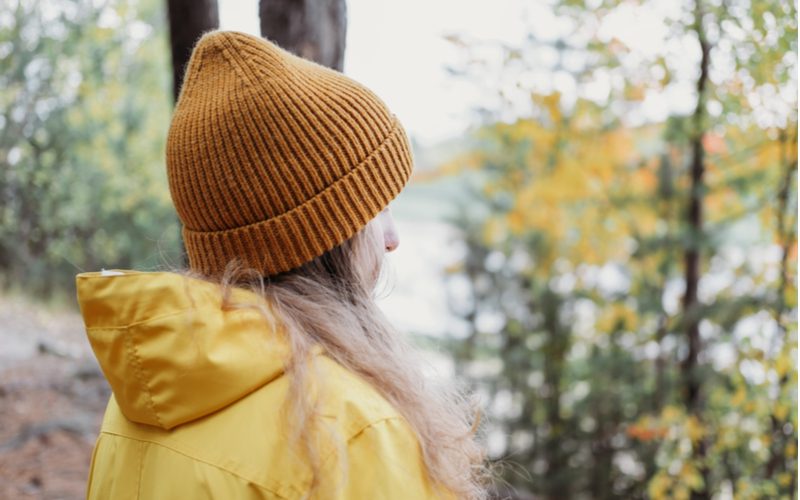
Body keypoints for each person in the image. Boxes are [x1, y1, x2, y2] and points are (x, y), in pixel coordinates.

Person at [76, 30, 486, 499]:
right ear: (323, 233)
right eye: (378, 209)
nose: (392, 239)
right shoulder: (353, 432)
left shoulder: (140, 401)